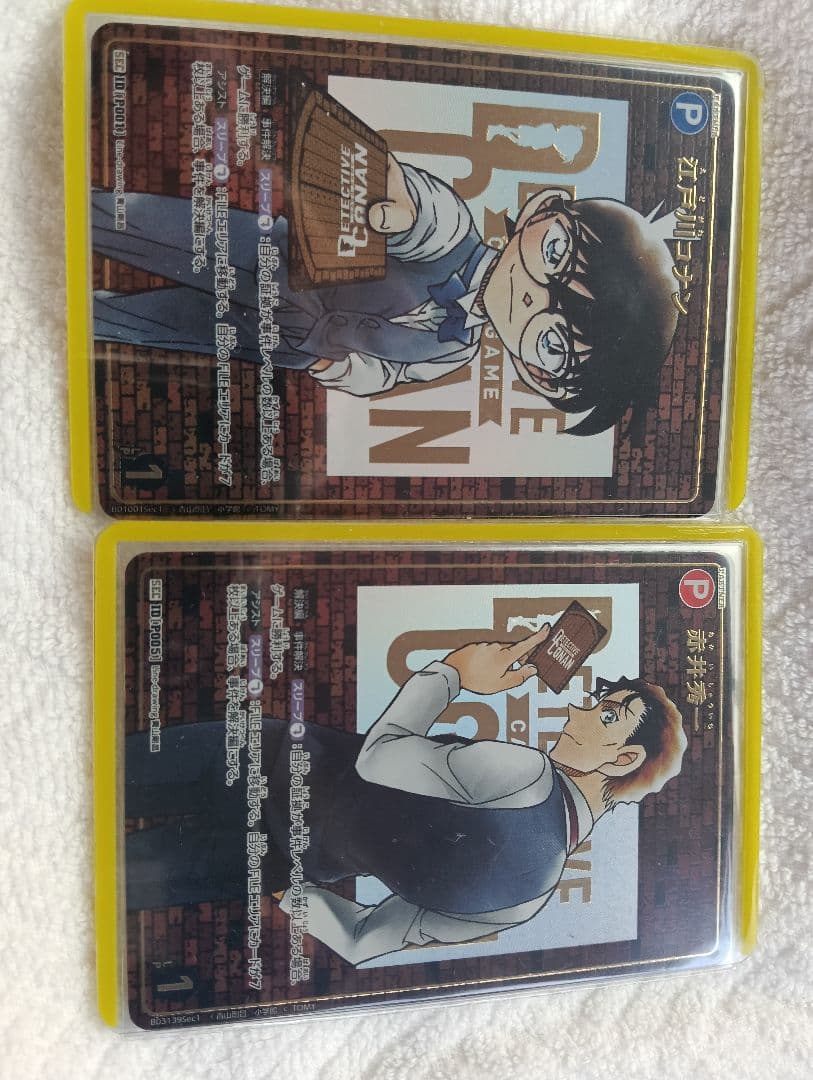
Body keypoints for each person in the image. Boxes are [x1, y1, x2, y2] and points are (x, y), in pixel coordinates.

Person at [125, 625, 687, 965]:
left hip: (267, 762)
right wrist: (290, 891)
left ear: (623, 760)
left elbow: (378, 759)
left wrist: (454, 672)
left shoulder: (528, 774)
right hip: (277, 863)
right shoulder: (527, 905)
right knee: (107, 877)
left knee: (108, 775)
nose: (579, 709)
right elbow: (360, 939)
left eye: (607, 715)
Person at [93, 146, 679, 437]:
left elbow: (386, 374)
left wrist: (333, 366)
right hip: (265, 252)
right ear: (541, 209)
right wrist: (395, 203)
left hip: (280, 340)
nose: (531, 297)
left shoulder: (454, 352)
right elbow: (420, 213)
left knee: (149, 325)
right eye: (554, 254)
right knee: (129, 223)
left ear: (542, 377)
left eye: (553, 342)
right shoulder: (453, 233)